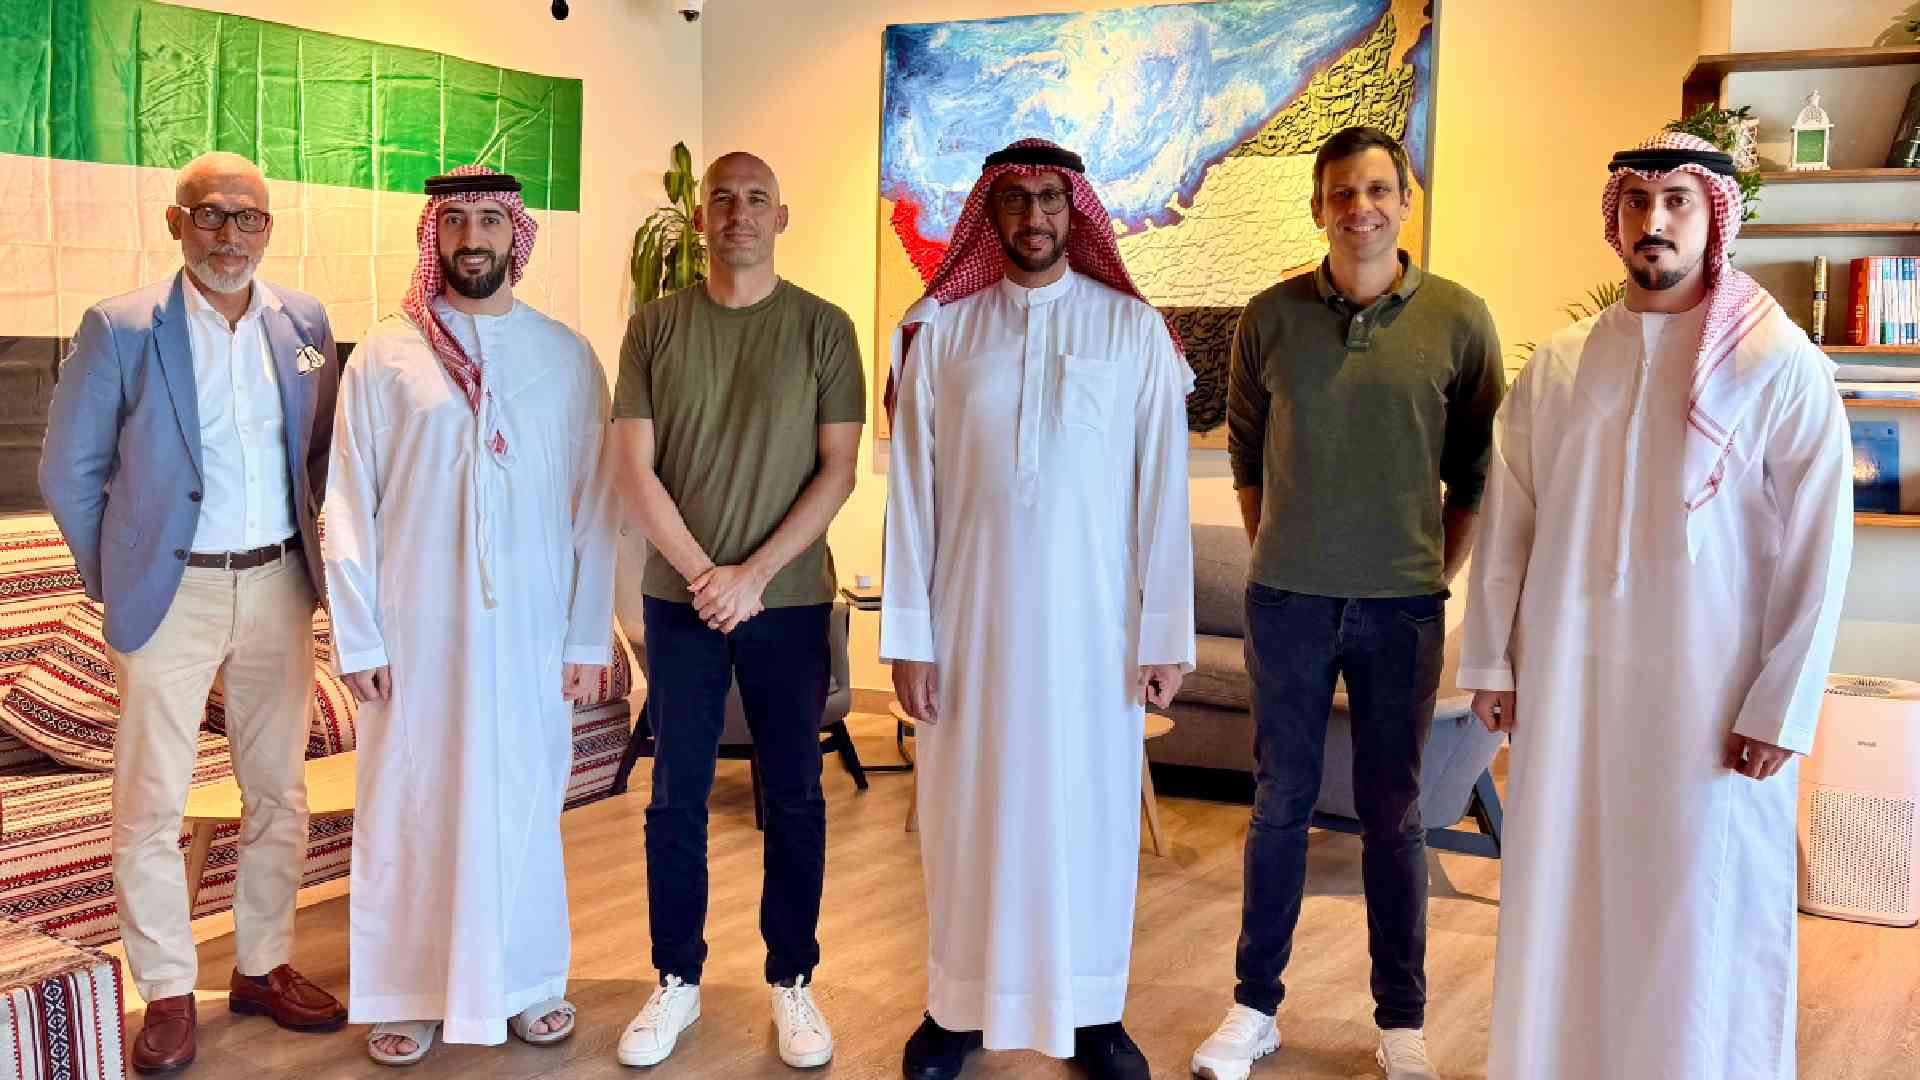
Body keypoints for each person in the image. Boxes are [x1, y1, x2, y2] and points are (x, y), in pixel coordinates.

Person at [1458, 130, 1853, 1080]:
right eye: (1637, 201)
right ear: (1614, 219)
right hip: (1572, 687)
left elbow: (1817, 545)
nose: (1654, 220)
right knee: (1567, 893)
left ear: (1715, 217)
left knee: (1697, 904)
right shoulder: (1557, 366)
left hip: (1710, 698)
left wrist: (1779, 704)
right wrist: (1490, 664)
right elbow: (1508, 521)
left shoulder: (1775, 362)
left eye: (1678, 199)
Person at [1190, 126, 1504, 1080]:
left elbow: (1476, 476)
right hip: (1286, 604)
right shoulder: (1271, 316)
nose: (1360, 208)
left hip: (1402, 609)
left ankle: (1400, 1021)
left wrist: (1428, 575)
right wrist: (1278, 551)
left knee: (1393, 816)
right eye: (1341, 193)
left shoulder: (1459, 319)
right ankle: (1255, 1008)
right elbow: (1246, 454)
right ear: (1318, 206)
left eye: (1378, 190)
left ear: (1405, 200)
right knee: (1279, 806)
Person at [881, 138, 1195, 1080]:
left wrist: (1163, 634)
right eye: (1013, 199)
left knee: (1090, 816)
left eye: (1051, 199)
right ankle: (956, 1009)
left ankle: (1095, 1010)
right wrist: (908, 639)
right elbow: (911, 494)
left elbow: (1160, 495)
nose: (1033, 217)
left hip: (1094, 637)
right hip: (968, 629)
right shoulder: (943, 331)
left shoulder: (1132, 332)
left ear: (1077, 211)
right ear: (989, 212)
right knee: (966, 813)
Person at [38, 150, 346, 1075]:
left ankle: (262, 963)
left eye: (247, 217)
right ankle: (167, 989)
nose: (229, 234)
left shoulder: (304, 323)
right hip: (170, 591)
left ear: (268, 229)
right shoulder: (122, 326)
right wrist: (116, 574)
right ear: (176, 223)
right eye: (209, 215)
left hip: (280, 584)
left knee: (280, 792)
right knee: (150, 801)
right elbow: (69, 471)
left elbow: (319, 455)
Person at [322, 164, 618, 1065]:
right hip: (416, 636)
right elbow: (347, 500)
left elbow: (595, 505)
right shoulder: (385, 353)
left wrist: (583, 633)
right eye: (457, 222)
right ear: (434, 234)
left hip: (531, 633)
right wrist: (359, 635)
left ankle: (526, 982)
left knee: (524, 801)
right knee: (410, 802)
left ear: (516, 234)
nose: (474, 237)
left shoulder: (566, 356)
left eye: (492, 219)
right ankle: (406, 990)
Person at [610, 151, 863, 1071]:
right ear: (702, 218)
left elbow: (838, 469)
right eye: (723, 199)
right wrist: (705, 575)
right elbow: (632, 469)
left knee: (793, 795)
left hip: (791, 602)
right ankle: (675, 980)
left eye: (757, 199)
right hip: (680, 604)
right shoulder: (655, 328)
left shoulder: (824, 328)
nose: (739, 214)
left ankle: (792, 979)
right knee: (674, 795)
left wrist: (752, 575)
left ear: (780, 217)